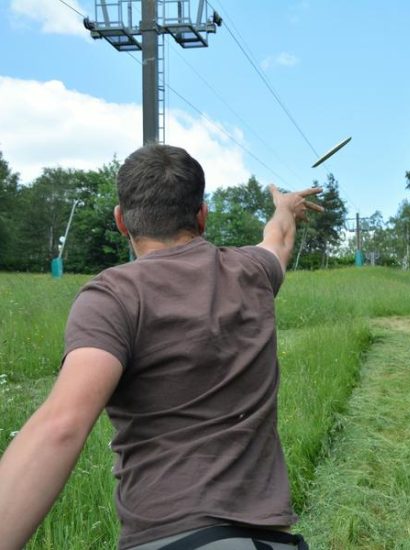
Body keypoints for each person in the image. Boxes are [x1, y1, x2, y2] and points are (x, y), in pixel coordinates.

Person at [0, 144, 323, 549]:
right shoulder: (252, 271)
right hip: (270, 541)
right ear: (202, 215)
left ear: (121, 221)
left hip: (171, 540)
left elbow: (61, 426)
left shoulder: (112, 296)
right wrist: (285, 207)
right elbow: (278, 240)